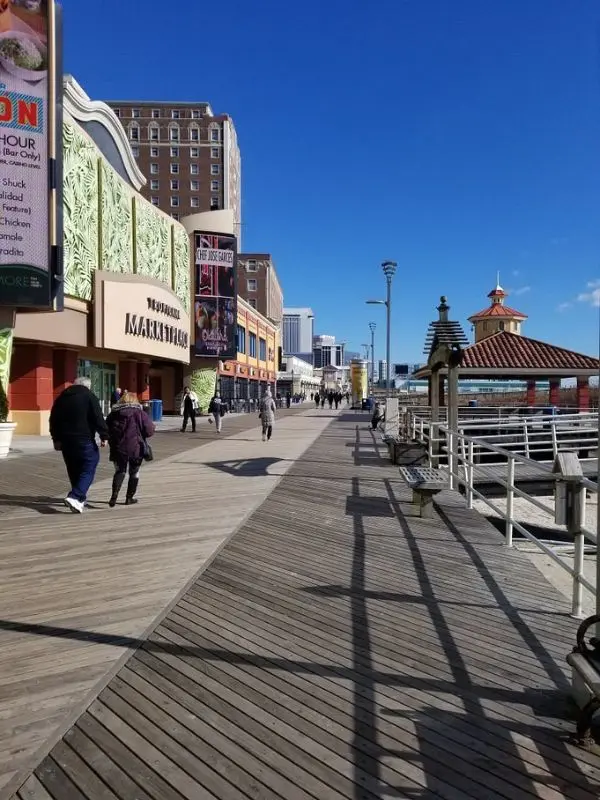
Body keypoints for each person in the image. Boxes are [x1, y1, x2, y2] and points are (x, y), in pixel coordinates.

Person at [49, 376, 108, 513]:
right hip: (83, 438)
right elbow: (97, 417)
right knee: (90, 463)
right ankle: (75, 496)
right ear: (87, 386)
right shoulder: (89, 396)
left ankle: (79, 500)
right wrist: (104, 435)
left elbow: (53, 419)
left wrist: (56, 439)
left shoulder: (62, 397)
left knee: (73, 468)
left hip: (65, 440)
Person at [106, 391, 155, 507]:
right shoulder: (140, 413)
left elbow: (106, 430)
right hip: (136, 447)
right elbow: (149, 431)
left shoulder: (113, 414)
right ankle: (129, 498)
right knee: (134, 472)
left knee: (119, 471)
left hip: (118, 448)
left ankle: (114, 495)